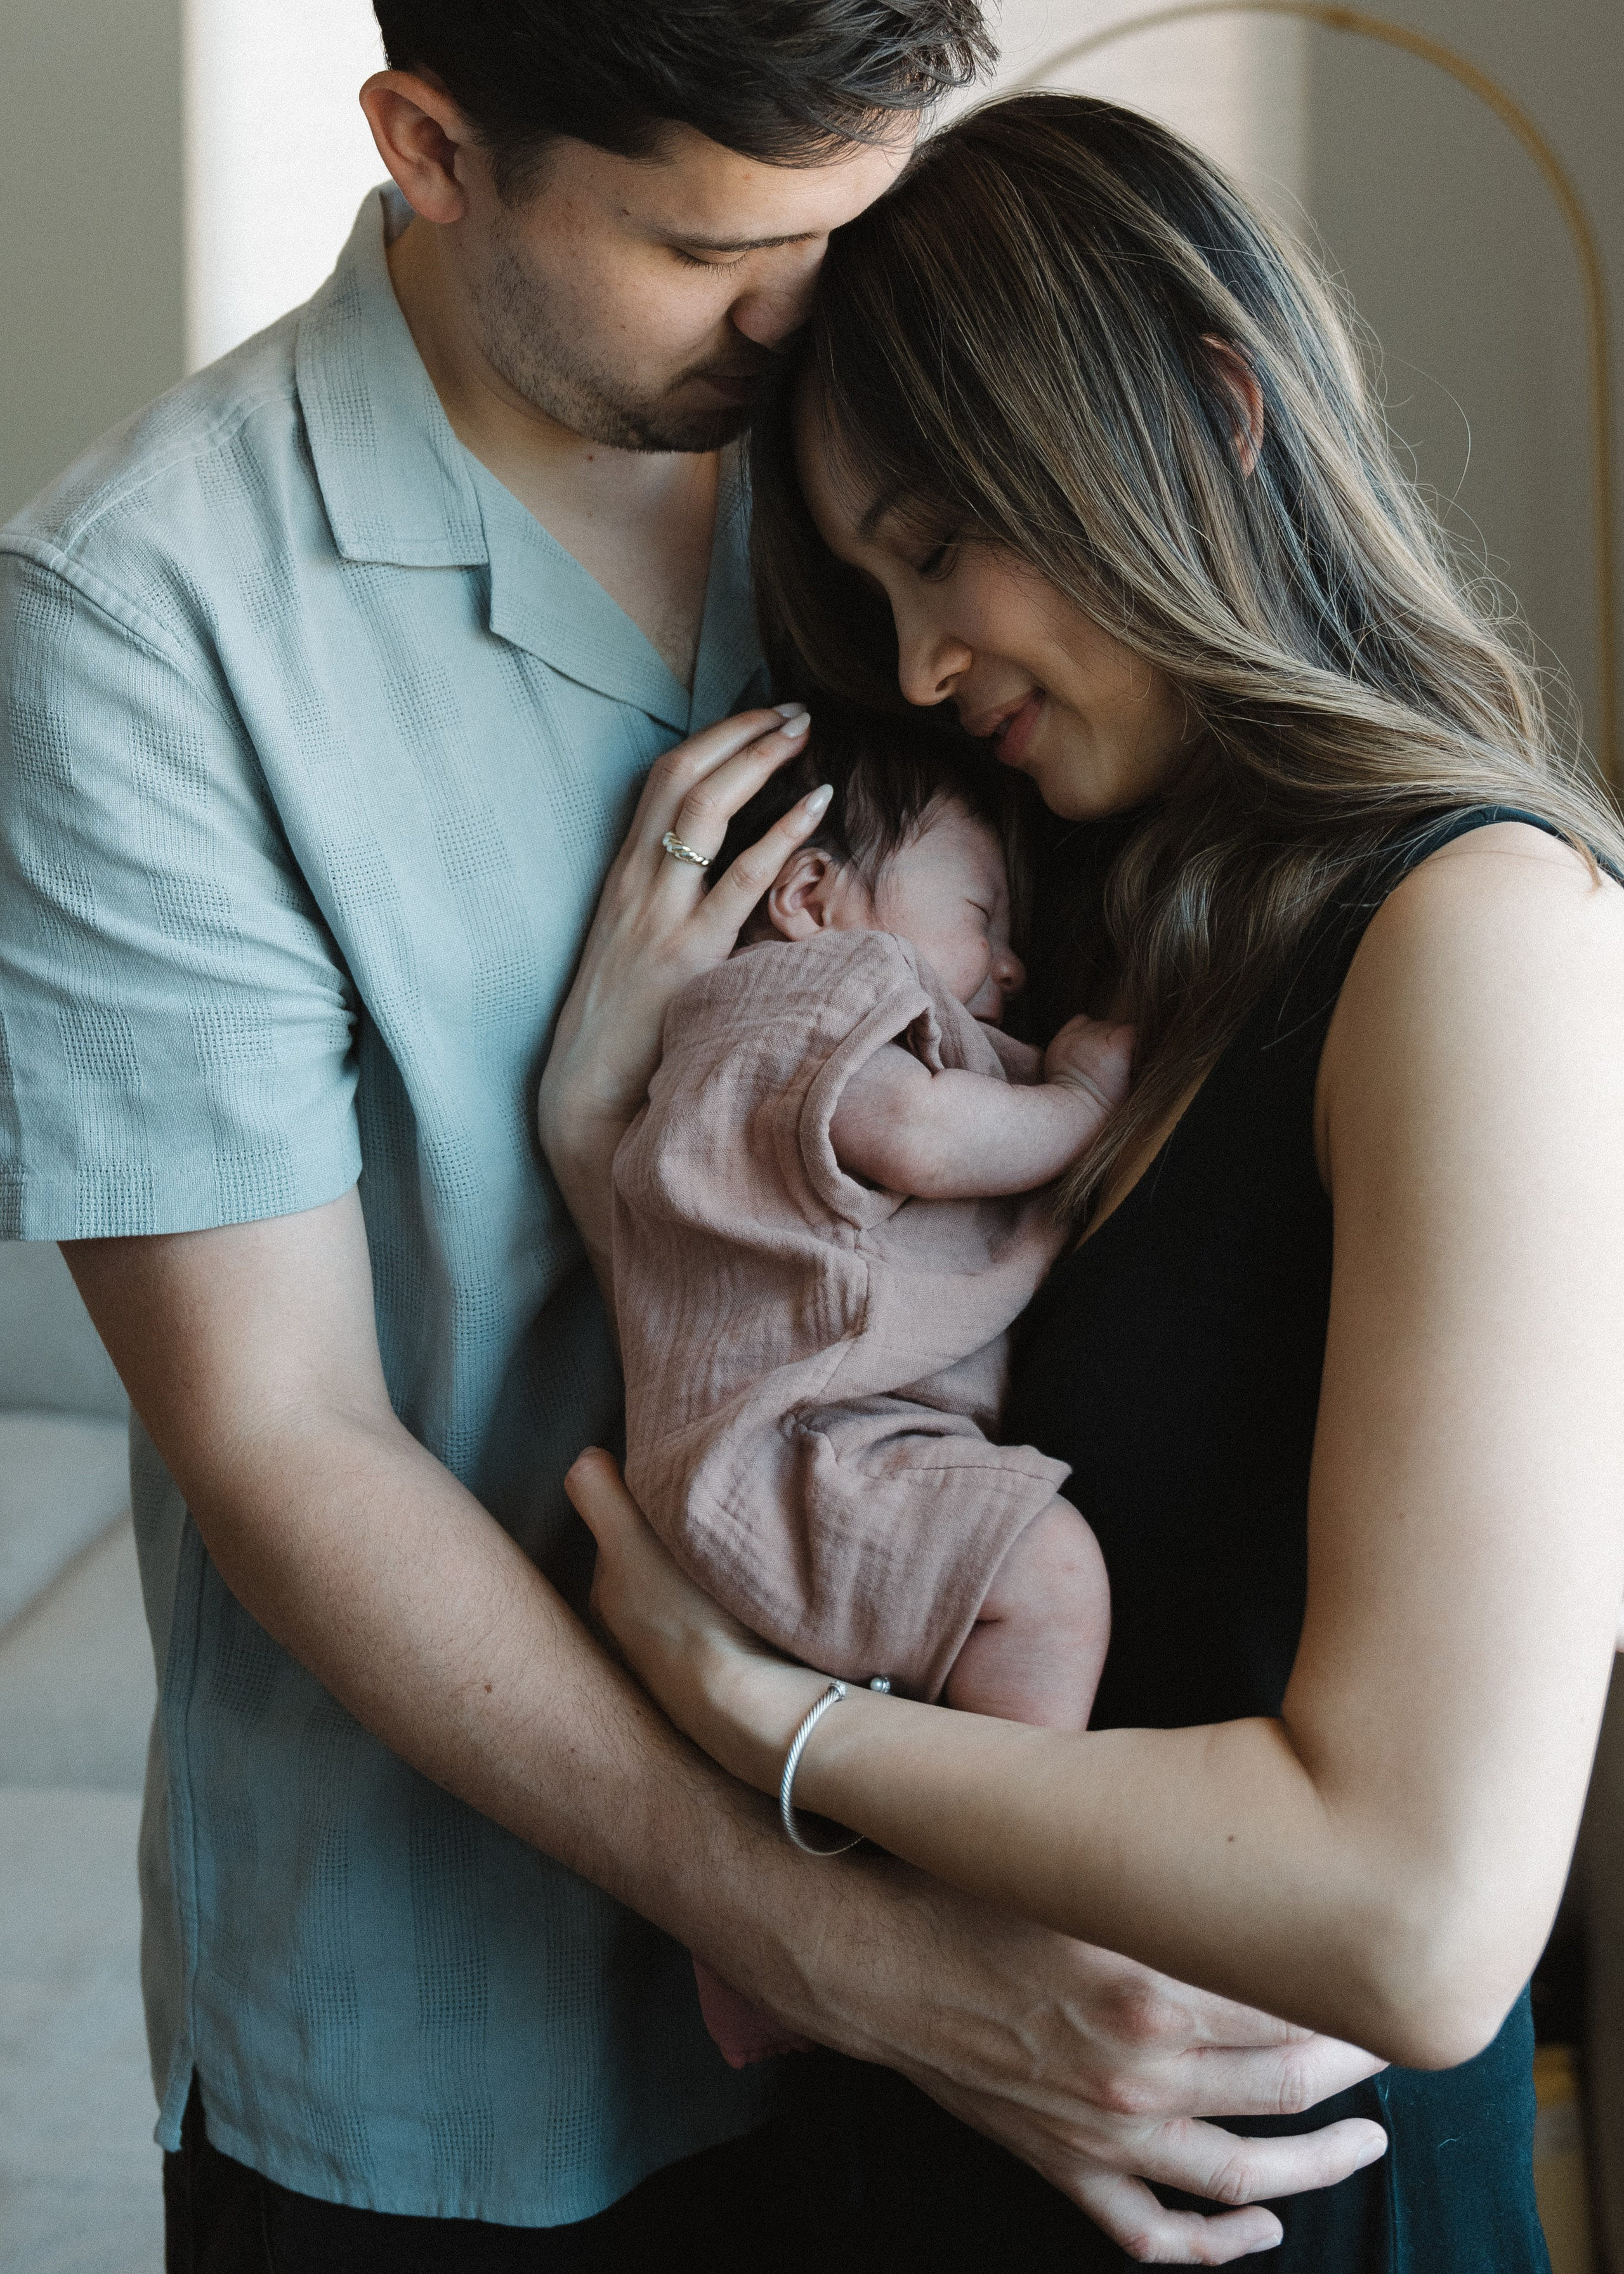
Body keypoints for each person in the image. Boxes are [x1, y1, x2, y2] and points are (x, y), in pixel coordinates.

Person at [0, 10, 1387, 2268]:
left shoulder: (904, 461)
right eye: (707, 248)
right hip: (462, 2038)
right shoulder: (146, 624)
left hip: (1003, 1961)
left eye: (847, 215)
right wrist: (861, 1951)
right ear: (432, 145)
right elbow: (282, 1441)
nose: (801, 310)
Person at [546, 93, 1624, 2270]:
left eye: (943, 545)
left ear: (1215, 414)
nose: (918, 664)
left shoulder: (1484, 937)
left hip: (1281, 2219)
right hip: (941, 2158)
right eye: (875, 592)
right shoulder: (1084, 928)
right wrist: (601, 1141)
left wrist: (762, 1719)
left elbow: (1420, 1914)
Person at [615, 715, 1127, 2067]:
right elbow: (921, 1132)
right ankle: (999, 1898)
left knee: (797, 1743)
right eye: (981, 914)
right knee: (1049, 1577)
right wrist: (1083, 1095)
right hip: (800, 1442)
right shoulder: (806, 996)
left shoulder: (796, 1024)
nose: (1009, 964)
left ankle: (747, 1984)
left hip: (766, 1451)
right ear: (808, 892)